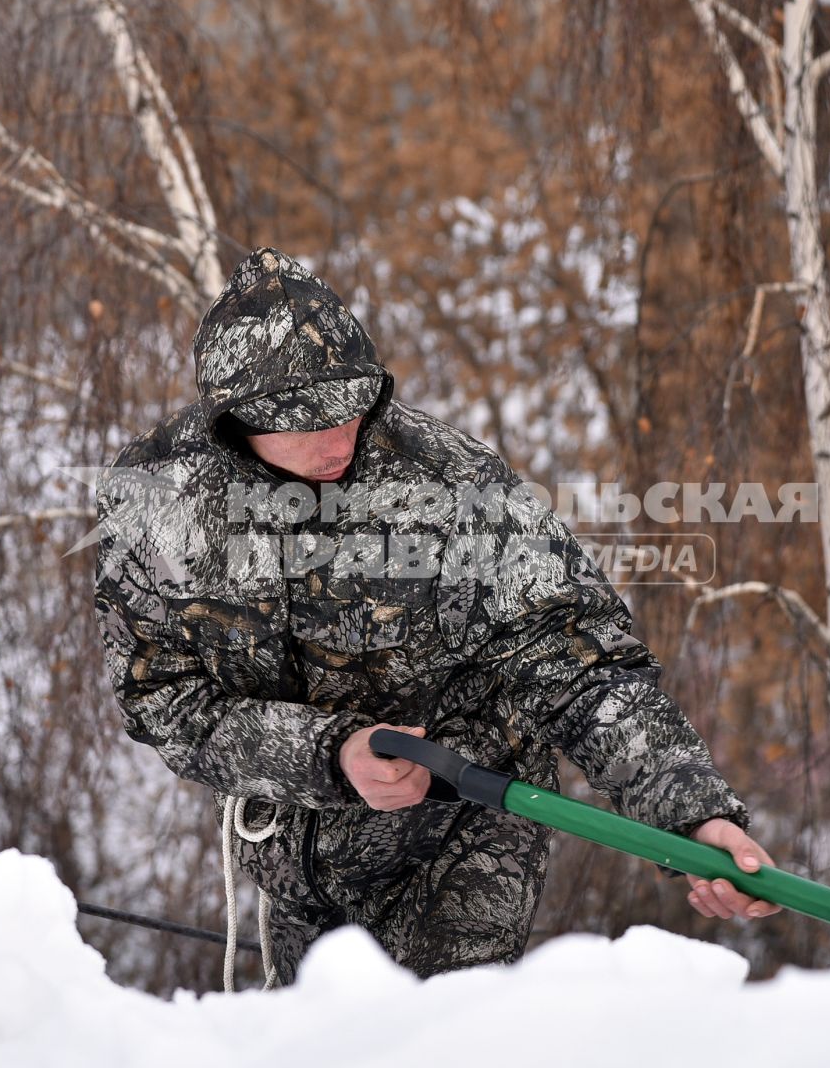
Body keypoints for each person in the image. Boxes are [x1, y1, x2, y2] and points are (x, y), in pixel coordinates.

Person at [92, 246, 775, 986]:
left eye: (350, 409)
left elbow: (583, 668)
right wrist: (326, 754)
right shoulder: (160, 501)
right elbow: (165, 700)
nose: (335, 441)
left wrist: (694, 815)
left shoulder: (451, 486)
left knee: (437, 1062)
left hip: (464, 831)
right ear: (232, 420)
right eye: (302, 421)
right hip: (294, 856)